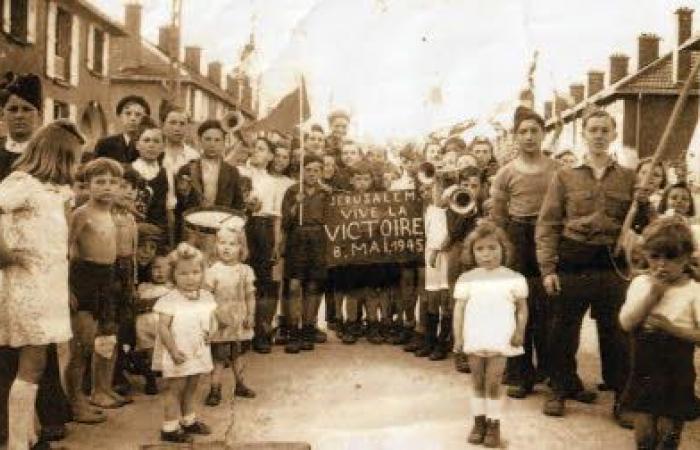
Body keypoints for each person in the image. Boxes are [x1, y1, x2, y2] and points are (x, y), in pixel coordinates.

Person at [536, 107, 650, 425]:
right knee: (563, 329)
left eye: (605, 130)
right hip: (574, 258)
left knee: (617, 333)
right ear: (584, 135)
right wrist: (548, 270)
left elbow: (645, 227)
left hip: (612, 263)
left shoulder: (630, 179)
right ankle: (558, 388)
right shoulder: (565, 176)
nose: (599, 135)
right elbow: (547, 225)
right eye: (593, 130)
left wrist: (644, 204)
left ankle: (622, 401)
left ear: (613, 134)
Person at [0, 120, 85, 449]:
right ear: (58, 155)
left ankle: (28, 434)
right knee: (31, 365)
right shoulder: (22, 183)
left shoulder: (59, 191)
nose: (76, 165)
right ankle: (18, 442)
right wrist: (4, 253)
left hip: (50, 285)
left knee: (41, 362)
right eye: (74, 158)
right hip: (27, 286)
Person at [489, 107, 560, 398]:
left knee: (548, 307)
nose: (529, 136)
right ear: (516, 137)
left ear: (543, 134)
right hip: (517, 238)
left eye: (535, 131)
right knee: (518, 306)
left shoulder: (558, 170)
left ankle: (549, 369)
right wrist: (504, 251)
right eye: (523, 132)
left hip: (548, 237)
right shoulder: (505, 174)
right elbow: (497, 217)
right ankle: (519, 373)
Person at [619, 217, 700, 450]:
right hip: (644, 367)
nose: (661, 265)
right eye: (655, 257)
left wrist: (670, 328)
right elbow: (626, 323)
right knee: (644, 436)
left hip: (676, 371)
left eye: (671, 258)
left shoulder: (693, 290)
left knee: (667, 436)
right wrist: (652, 296)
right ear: (645, 255)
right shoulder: (642, 284)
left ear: (686, 258)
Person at [453, 220, 527, 447]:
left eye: (492, 248)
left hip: (499, 336)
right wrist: (458, 337)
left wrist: (519, 332)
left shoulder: (513, 278)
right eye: (480, 249)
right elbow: (459, 310)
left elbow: (522, 308)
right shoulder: (467, 279)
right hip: (475, 335)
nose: (486, 254)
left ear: (504, 249)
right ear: (472, 252)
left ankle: (494, 424)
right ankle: (479, 422)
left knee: (494, 382)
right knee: (477, 381)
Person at [67, 158, 126, 415]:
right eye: (100, 182)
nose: (107, 187)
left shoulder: (114, 213)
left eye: (113, 182)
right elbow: (64, 250)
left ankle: (101, 390)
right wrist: (66, 288)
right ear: (87, 185)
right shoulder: (80, 215)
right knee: (83, 343)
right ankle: (76, 400)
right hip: (85, 277)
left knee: (108, 337)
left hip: (109, 276)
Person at [152, 243, 216, 444]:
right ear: (173, 275)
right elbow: (163, 328)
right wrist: (172, 350)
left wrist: (211, 332)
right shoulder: (170, 299)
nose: (191, 278)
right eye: (183, 273)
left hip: (197, 349)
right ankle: (170, 427)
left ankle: (188, 420)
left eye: (196, 272)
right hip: (178, 351)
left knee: (192, 385)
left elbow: (211, 318)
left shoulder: (205, 296)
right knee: (174, 388)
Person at [280, 155, 331, 353]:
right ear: (302, 171)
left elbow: (333, 220)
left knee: (313, 285)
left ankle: (308, 329)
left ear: (321, 172)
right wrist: (295, 205)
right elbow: (285, 222)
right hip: (296, 239)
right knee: (294, 285)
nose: (311, 174)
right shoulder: (292, 191)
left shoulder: (326, 193)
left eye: (316, 170)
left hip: (318, 239)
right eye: (308, 170)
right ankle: (293, 330)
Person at [175, 120, 245, 256]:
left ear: (224, 143)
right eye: (207, 139)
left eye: (217, 140)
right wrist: (184, 194)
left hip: (222, 233)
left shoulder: (232, 172)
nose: (212, 144)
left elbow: (238, 204)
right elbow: (180, 206)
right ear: (200, 141)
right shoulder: (187, 169)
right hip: (194, 231)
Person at [238, 137, 282, 354]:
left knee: (262, 281)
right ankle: (239, 335)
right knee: (239, 278)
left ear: (271, 157)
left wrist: (275, 243)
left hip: (263, 228)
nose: (256, 151)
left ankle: (261, 332)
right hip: (241, 225)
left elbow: (275, 216)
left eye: (262, 149)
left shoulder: (272, 182)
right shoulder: (239, 172)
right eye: (254, 147)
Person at [204, 227, 257, 406]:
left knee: (238, 353)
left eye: (232, 244)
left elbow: (250, 295)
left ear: (241, 248)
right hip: (221, 320)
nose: (226, 248)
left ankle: (240, 384)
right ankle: (214, 388)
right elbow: (207, 296)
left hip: (239, 319)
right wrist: (211, 317)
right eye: (222, 243)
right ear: (216, 246)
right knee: (219, 356)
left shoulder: (245, 270)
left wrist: (251, 314)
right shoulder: (213, 270)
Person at [133, 256, 172, 395]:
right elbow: (137, 304)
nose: (159, 272)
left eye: (164, 268)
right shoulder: (144, 287)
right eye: (155, 268)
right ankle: (150, 380)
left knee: (166, 354)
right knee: (149, 355)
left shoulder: (171, 288)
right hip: (144, 327)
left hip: (163, 328)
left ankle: (171, 381)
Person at [161, 106, 199, 246]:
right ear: (163, 125)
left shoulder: (194, 156)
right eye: (172, 123)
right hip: (160, 215)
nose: (177, 128)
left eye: (182, 124)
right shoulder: (155, 153)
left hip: (185, 217)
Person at [0, 73, 42, 180]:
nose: (19, 115)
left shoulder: (47, 154)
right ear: (2, 114)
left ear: (39, 114)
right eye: (13, 109)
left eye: (27, 109)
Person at [131, 117, 169, 234]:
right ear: (137, 145)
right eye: (146, 140)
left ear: (163, 147)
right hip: (130, 228)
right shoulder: (128, 171)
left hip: (157, 232)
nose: (151, 145)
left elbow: (169, 210)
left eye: (156, 141)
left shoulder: (166, 174)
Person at [94, 95, 150, 163]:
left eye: (138, 115)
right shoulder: (105, 145)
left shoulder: (149, 145)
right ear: (120, 116)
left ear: (146, 119)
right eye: (128, 114)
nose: (133, 118)